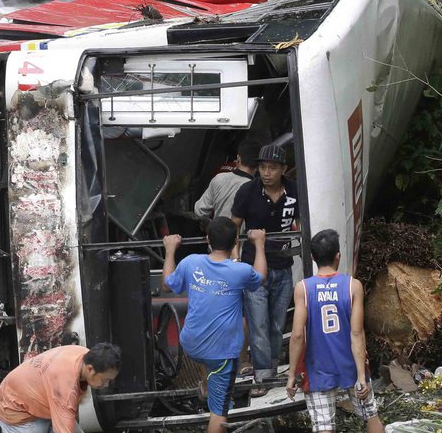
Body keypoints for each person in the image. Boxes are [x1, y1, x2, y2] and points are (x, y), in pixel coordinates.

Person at [163, 219, 267, 433]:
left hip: (191, 344)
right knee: (219, 414)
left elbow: (167, 282)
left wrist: (170, 249)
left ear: (207, 240)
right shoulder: (240, 271)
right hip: (220, 353)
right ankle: (213, 394)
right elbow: (261, 277)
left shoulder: (191, 262)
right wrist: (259, 244)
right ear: (236, 241)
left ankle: (207, 387)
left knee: (207, 349)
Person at [286, 230, 384, 433]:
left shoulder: (303, 288)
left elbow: (297, 335)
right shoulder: (352, 286)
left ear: (312, 258)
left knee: (324, 426)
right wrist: (360, 376)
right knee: (371, 416)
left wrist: (291, 375)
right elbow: (357, 333)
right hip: (350, 364)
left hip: (318, 368)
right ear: (337, 256)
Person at [231, 142, 299, 394]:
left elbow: (304, 223)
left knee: (277, 324)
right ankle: (262, 378)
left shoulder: (294, 191)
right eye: (262, 167)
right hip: (253, 269)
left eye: (272, 168)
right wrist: (237, 260)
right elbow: (232, 227)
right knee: (258, 324)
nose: (266, 172)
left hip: (283, 265)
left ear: (283, 169)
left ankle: (270, 369)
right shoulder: (247, 191)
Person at [0, 343, 121, 433]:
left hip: (42, 404)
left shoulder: (84, 355)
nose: (107, 384)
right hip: (16, 410)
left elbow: (71, 411)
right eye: (106, 380)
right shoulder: (65, 386)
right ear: (90, 369)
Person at [195, 139, 260, 222]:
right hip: (244, 235)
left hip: (217, 233)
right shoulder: (259, 189)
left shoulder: (219, 179)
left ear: (238, 158)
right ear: (258, 165)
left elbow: (199, 212)